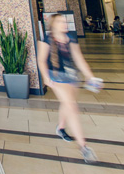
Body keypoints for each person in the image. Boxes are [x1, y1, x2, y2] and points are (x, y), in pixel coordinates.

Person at [37, 14, 98, 164]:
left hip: (72, 76)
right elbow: (41, 60)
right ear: (53, 25)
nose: (65, 24)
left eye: (65, 21)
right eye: (61, 22)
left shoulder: (71, 37)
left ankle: (61, 127)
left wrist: (90, 76)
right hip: (56, 76)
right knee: (72, 107)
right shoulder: (47, 39)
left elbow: (79, 58)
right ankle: (83, 146)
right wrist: (45, 78)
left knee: (67, 104)